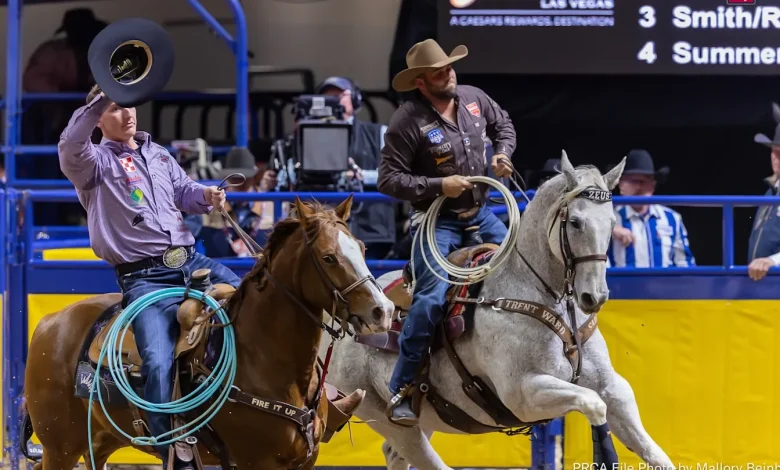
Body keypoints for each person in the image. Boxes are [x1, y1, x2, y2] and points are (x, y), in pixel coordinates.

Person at [57, 84, 242, 470]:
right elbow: (70, 144)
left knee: (256, 301)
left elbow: (183, 191)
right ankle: (171, 446)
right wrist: (97, 100)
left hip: (191, 262)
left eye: (129, 107)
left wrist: (207, 195)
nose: (126, 115)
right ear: (98, 119)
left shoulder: (158, 155)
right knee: (157, 361)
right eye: (114, 110)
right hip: (145, 279)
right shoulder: (92, 164)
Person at [377, 38, 516, 425]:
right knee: (430, 298)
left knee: (526, 274)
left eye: (449, 67)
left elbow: (503, 123)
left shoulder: (474, 98)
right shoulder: (407, 121)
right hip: (436, 221)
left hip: (481, 214)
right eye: (439, 72)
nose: (449, 74)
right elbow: (388, 180)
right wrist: (439, 186)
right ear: (421, 82)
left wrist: (503, 153)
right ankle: (401, 389)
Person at [608, 149, 695, 268]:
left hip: (664, 286)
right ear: (621, 184)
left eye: (645, 180)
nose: (639, 187)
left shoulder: (672, 218)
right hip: (619, 286)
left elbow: (684, 263)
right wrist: (609, 227)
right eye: (633, 181)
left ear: (653, 185)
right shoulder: (607, 218)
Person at [748, 106, 780, 281]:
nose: (777, 158)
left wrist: (772, 261)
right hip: (764, 286)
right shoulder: (770, 193)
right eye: (775, 152)